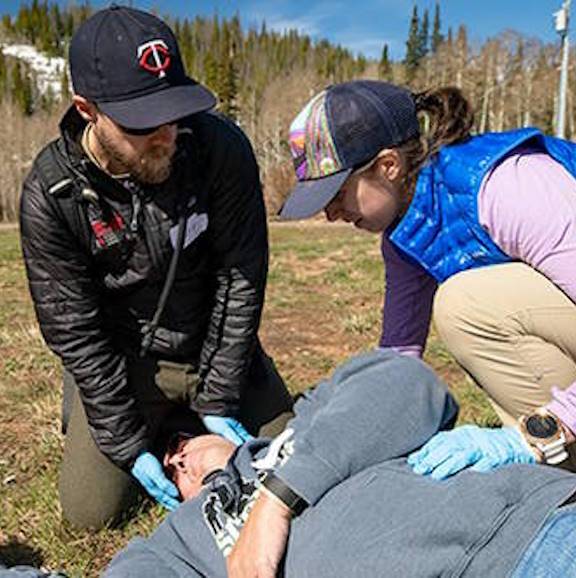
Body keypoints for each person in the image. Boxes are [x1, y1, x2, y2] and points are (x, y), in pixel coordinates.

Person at [19, 6, 292, 530]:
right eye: (142, 122)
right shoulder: (52, 194)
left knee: (287, 457)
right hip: (125, 359)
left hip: (210, 342)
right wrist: (123, 437)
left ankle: (190, 419)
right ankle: (108, 414)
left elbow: (240, 280)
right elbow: (74, 331)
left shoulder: (220, 150)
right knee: (89, 514)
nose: (166, 133)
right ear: (87, 109)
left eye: (172, 111)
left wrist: (218, 395)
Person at [278, 80, 576, 473]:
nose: (330, 213)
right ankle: (562, 470)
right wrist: (331, 426)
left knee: (464, 304)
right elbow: (397, 358)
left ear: (388, 166)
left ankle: (554, 443)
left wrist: (544, 432)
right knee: (466, 306)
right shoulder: (404, 237)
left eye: (337, 194)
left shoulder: (505, 186)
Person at [103, 350, 576, 578]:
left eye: (182, 444)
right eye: (170, 470)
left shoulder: (308, 427)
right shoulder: (182, 540)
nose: (179, 461)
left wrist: (277, 498)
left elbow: (406, 380)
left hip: (514, 548)